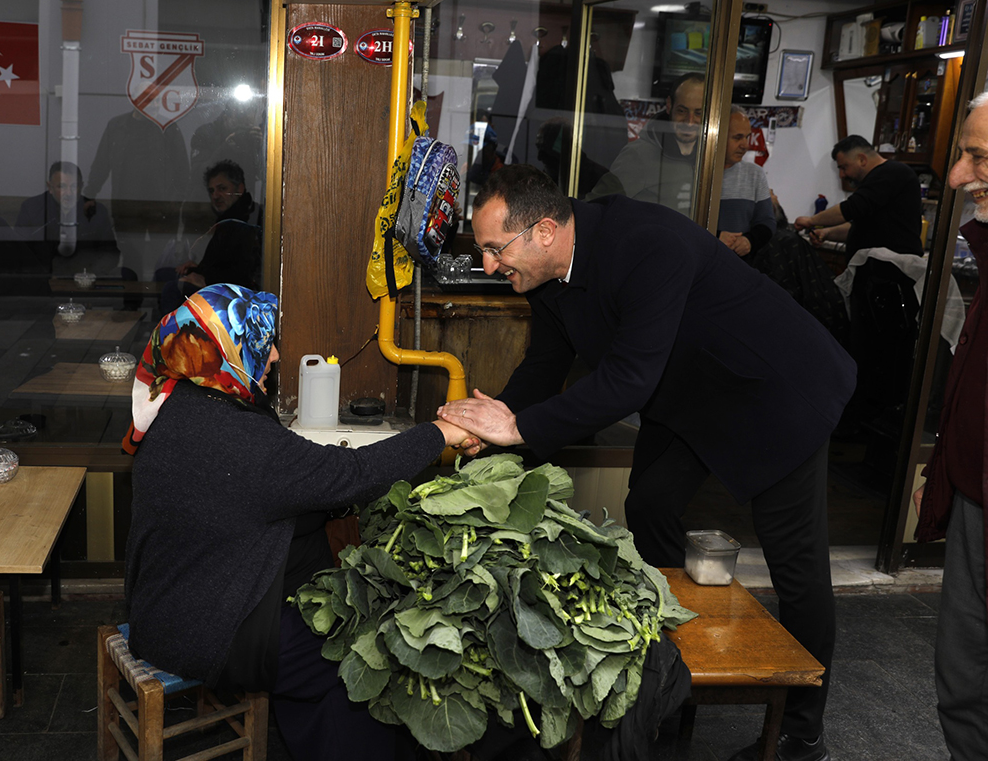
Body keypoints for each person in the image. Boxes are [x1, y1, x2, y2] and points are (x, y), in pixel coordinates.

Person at [437, 165, 856, 761]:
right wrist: (496, 425)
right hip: (690, 392)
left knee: (797, 568)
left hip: (777, 390)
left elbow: (627, 380)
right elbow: (544, 367)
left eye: (493, 249)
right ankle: (669, 670)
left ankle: (802, 734)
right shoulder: (546, 273)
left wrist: (520, 428)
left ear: (545, 231)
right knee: (651, 505)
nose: (486, 265)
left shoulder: (646, 242)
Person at [123, 283, 476, 761]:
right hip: (208, 631)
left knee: (317, 609)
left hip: (163, 605)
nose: (273, 356)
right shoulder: (239, 437)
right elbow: (352, 474)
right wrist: (441, 432)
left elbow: (272, 489)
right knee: (359, 657)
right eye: (263, 343)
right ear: (229, 351)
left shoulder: (176, 404)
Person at [913, 91, 988, 760]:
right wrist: (943, 472)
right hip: (974, 494)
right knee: (963, 678)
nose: (960, 176)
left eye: (978, 157)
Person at [157, 160, 262, 316]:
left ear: (239, 189)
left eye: (222, 189)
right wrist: (198, 269)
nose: (215, 196)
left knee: (172, 289)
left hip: (232, 296)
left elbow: (245, 273)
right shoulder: (230, 217)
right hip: (219, 285)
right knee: (164, 274)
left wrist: (206, 279)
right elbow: (224, 262)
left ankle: (171, 331)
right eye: (212, 191)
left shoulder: (245, 221)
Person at [795, 135, 923, 261]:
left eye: (844, 167)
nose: (841, 175)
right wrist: (827, 233)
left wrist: (811, 221)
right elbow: (859, 226)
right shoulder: (876, 180)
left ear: (862, 159)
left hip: (892, 268)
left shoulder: (892, 173)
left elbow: (849, 209)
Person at [598, 72, 704, 216]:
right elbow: (598, 207)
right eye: (682, 111)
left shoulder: (709, 157)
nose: (689, 122)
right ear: (669, 106)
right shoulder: (638, 155)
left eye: (698, 113)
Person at [14, 161, 114, 253]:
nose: (69, 193)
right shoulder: (31, 209)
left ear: (81, 186)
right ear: (50, 187)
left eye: (74, 186)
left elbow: (110, 253)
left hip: (84, 265)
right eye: (62, 187)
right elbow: (19, 251)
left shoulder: (96, 211)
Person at [717, 106, 777, 262]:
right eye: (737, 138)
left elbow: (767, 222)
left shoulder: (755, 174)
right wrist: (715, 236)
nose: (745, 145)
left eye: (747, 137)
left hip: (739, 265)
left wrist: (749, 241)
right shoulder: (696, 172)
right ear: (717, 135)